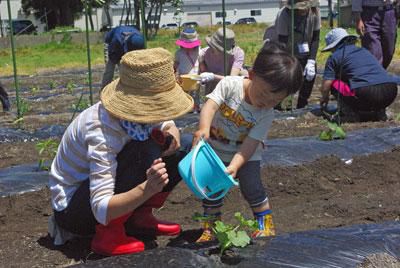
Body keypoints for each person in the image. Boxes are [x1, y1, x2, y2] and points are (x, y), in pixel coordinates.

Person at [48, 48, 194, 256]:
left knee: (184, 145)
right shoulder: (101, 130)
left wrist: (171, 130)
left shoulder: (139, 113)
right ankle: (108, 234)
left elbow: (162, 120)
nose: (161, 111)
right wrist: (147, 189)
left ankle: (138, 217)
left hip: (100, 197)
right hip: (75, 211)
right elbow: (101, 207)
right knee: (146, 148)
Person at [192, 42, 303, 242]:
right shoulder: (230, 85)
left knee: (252, 187)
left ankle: (265, 225)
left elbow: (250, 144)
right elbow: (210, 105)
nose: (266, 103)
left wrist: (235, 165)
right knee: (211, 190)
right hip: (214, 150)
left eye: (274, 101)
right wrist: (203, 128)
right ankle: (210, 228)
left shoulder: (266, 114)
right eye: (262, 95)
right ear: (251, 76)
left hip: (245, 155)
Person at [320, 28, 399, 122]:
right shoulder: (363, 51)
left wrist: (324, 98)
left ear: (334, 46)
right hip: (390, 91)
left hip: (367, 93)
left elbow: (326, 84)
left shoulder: (334, 57)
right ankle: (380, 111)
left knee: (335, 84)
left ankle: (349, 115)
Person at [272, 0, 321, 109]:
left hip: (305, 49)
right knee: (286, 78)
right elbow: (282, 42)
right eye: (299, 8)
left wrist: (311, 60)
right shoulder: (284, 14)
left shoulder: (315, 12)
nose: (302, 10)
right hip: (285, 50)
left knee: (310, 73)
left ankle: (302, 103)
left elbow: (315, 38)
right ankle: (280, 104)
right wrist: (289, 62)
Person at [198, 27, 247, 95]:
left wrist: (213, 76)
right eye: (211, 45)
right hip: (211, 87)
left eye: (214, 47)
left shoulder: (237, 53)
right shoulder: (204, 53)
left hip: (230, 87)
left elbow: (232, 79)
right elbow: (203, 73)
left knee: (244, 73)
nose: (211, 49)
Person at [352, 0, 398, 69]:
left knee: (389, 50)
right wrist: (358, 19)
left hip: (389, 12)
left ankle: (379, 73)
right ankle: (377, 75)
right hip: (369, 14)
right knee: (373, 51)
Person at [174, 28, 202, 113]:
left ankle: (195, 107)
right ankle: (185, 108)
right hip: (183, 78)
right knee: (184, 94)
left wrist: (203, 74)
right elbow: (176, 64)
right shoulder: (179, 53)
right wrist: (174, 74)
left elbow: (202, 64)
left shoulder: (199, 52)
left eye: (191, 46)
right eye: (186, 46)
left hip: (195, 78)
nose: (189, 49)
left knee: (195, 94)